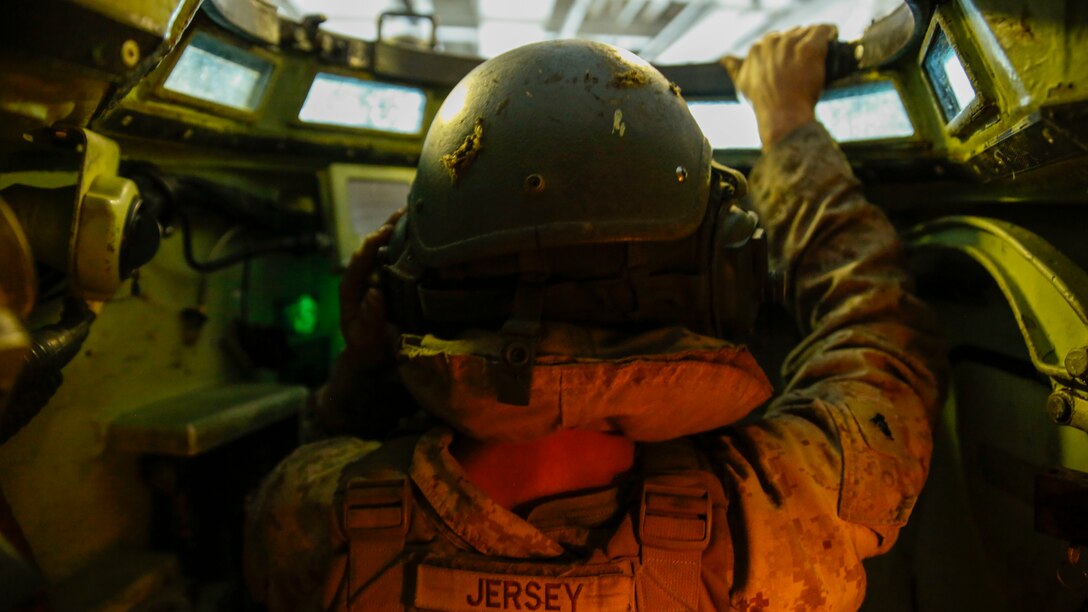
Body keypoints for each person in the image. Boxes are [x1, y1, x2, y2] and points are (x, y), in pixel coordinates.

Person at [244, 25, 945, 611]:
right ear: (722, 287)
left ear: (409, 290)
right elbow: (880, 334)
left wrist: (365, 366)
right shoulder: (782, 523)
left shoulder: (305, 521)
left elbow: (332, 451)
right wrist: (788, 126)